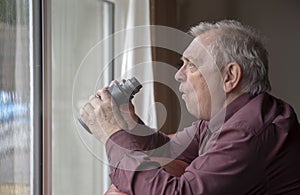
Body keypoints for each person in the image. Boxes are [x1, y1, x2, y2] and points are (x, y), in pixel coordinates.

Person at [80, 20, 300, 194]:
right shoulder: (224, 118)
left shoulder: (247, 131)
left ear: (229, 76)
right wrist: (128, 123)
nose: (178, 75)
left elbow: (178, 193)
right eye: (181, 64)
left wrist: (112, 135)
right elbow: (167, 150)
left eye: (191, 65)